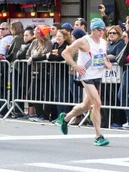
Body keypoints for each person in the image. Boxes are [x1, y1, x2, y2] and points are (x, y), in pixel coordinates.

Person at [57, 18, 111, 146]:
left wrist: (106, 63)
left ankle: (65, 118)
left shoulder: (103, 42)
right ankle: (98, 136)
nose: (102, 32)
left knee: (86, 106)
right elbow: (65, 53)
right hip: (86, 75)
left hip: (98, 75)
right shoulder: (84, 41)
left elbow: (102, 56)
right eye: (99, 29)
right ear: (93, 29)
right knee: (97, 103)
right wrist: (75, 66)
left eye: (104, 29)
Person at [26, 25, 52, 121]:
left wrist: (34, 58)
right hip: (34, 71)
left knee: (46, 94)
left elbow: (46, 55)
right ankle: (39, 113)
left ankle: (45, 115)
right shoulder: (34, 42)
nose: (34, 32)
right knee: (32, 93)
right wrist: (30, 58)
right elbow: (27, 54)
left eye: (36, 31)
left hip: (44, 71)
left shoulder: (48, 43)